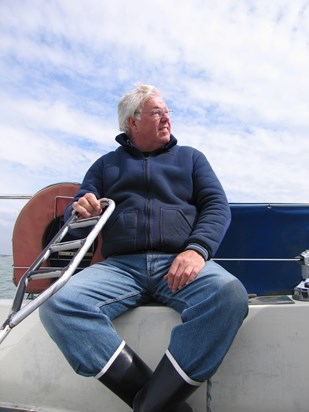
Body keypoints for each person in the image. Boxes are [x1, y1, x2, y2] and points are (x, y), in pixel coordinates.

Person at [39, 83, 248, 412]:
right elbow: (77, 210)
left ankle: (149, 405)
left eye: (168, 112)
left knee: (228, 295)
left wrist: (197, 249)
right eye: (157, 112)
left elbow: (216, 207)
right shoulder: (105, 165)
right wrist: (83, 210)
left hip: (179, 262)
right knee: (58, 305)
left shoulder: (192, 159)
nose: (167, 118)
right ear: (132, 122)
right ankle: (164, 405)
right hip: (121, 267)